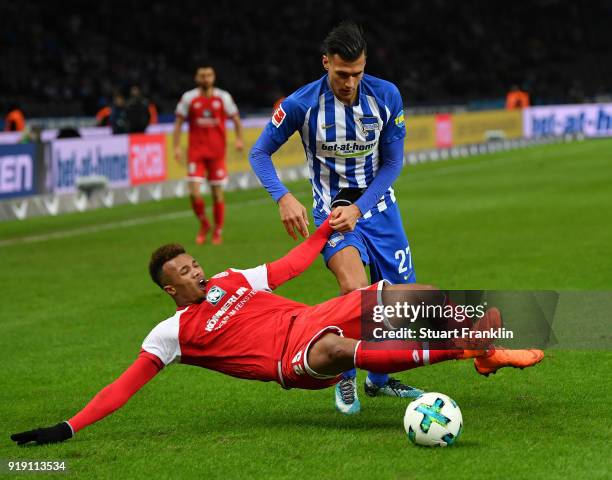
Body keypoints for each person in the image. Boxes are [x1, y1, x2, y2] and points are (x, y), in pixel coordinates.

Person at [10, 219, 543, 446]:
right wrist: (69, 428)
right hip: (293, 359)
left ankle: (482, 348)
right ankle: (463, 350)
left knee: (399, 293)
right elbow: (122, 388)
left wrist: (323, 232)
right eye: (184, 274)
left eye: (194, 264)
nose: (196, 272)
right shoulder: (171, 333)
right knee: (343, 350)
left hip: (307, 316)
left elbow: (289, 267)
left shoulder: (231, 279)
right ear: (169, 289)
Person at [249, 21, 418, 414]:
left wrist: (361, 207)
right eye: (341, 74)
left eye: (356, 73)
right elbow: (259, 153)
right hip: (332, 215)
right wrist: (283, 197)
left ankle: (379, 381)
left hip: (380, 212)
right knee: (354, 290)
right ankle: (344, 376)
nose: (349, 82)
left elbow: (393, 163)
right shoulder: (300, 104)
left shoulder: (387, 95)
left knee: (396, 307)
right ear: (326, 64)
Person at [173, 66, 244, 245]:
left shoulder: (223, 97)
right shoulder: (189, 97)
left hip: (216, 153)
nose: (206, 78)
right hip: (196, 153)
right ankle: (205, 224)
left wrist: (239, 139)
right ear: (197, 78)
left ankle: (218, 230)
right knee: (194, 192)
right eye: (202, 75)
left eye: (209, 75)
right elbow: (178, 122)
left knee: (216, 193)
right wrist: (176, 146)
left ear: (213, 77)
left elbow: (235, 119)